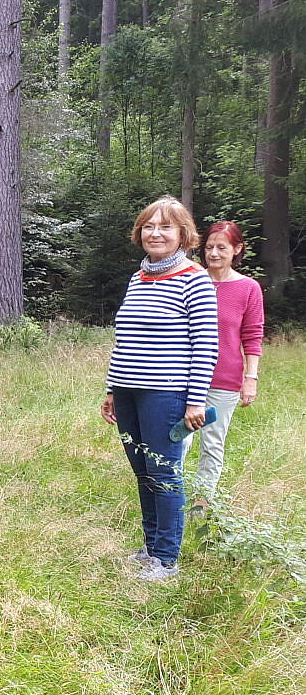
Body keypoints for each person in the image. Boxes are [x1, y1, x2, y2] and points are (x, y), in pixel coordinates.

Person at [100, 196, 218, 582]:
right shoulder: (139, 277)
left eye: (165, 227)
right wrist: (112, 390)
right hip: (128, 392)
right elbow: (126, 337)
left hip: (166, 394)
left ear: (183, 234)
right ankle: (150, 548)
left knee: (164, 474)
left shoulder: (194, 278)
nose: (156, 233)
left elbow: (206, 345)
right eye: (149, 226)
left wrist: (195, 401)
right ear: (140, 233)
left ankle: (166, 559)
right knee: (143, 471)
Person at [182, 221, 263, 517]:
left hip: (224, 380)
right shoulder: (190, 280)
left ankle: (200, 506)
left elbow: (252, 336)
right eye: (209, 247)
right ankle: (169, 499)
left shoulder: (248, 288)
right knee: (179, 439)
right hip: (183, 377)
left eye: (222, 247)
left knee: (212, 443)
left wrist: (250, 378)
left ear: (237, 249)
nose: (213, 253)